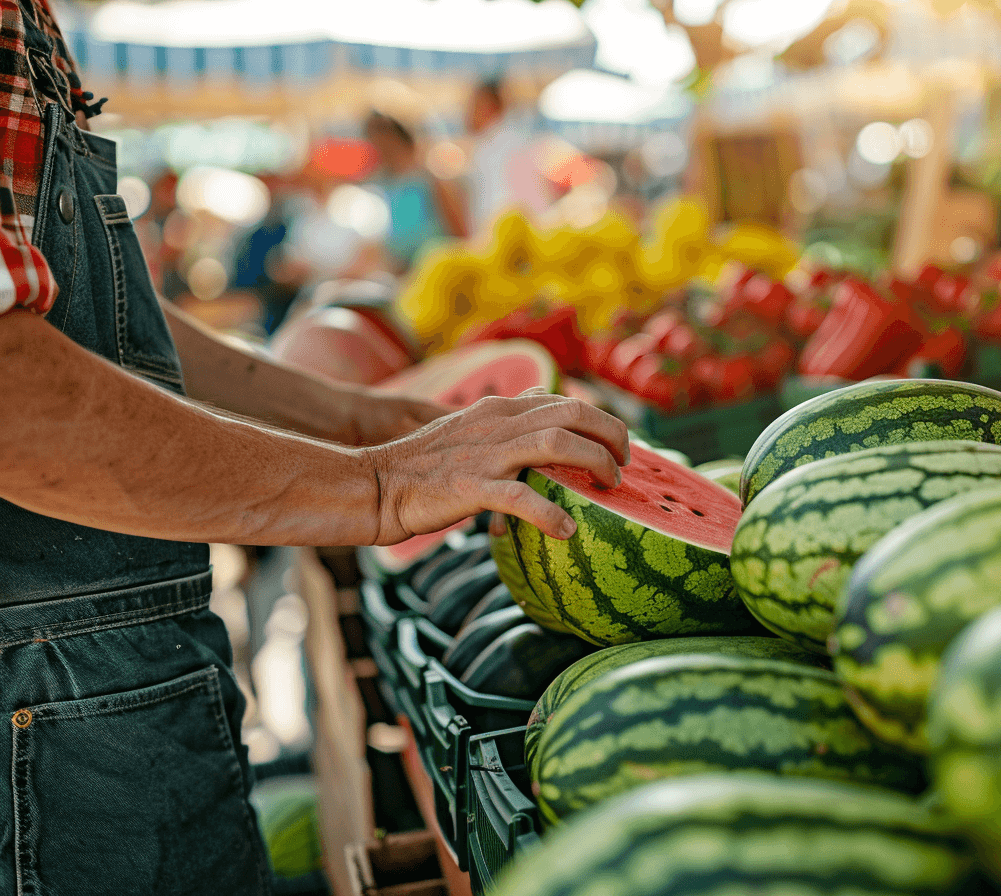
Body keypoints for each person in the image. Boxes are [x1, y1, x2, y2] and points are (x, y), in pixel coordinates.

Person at [0, 3, 629, 895]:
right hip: (37, 701)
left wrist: (367, 422)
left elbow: (102, 322)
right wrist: (377, 489)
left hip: (95, 674)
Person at [364, 108, 468, 273]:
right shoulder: (383, 184)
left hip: (439, 273)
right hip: (403, 276)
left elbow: (460, 232)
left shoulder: (430, 179)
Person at [462, 78, 551, 234]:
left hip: (513, 238)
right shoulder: (485, 146)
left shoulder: (512, 143)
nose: (469, 114)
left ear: (494, 105)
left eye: (476, 105)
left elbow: (533, 201)